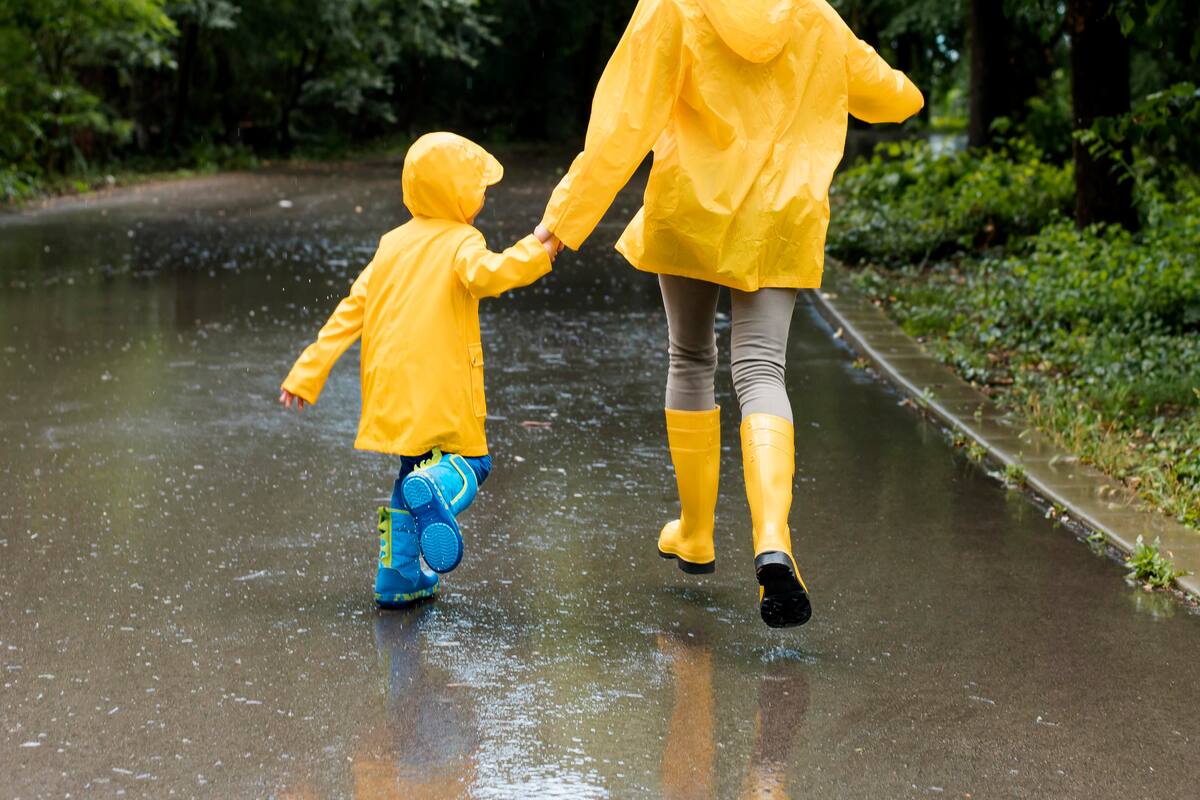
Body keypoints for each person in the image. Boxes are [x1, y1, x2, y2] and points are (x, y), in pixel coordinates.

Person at [535, 0, 924, 628]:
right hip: (780, 218)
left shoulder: (673, 7)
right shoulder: (812, 14)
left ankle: (694, 533)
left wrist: (561, 223)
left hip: (693, 208)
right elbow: (890, 98)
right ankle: (774, 541)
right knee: (762, 369)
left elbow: (624, 124)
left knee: (690, 357)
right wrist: (904, 86)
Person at [280, 132, 557, 609]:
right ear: (457, 195)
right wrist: (539, 249)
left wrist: (307, 372)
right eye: (477, 191)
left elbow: (352, 310)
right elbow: (489, 275)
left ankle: (398, 577)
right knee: (471, 464)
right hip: (445, 389)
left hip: (396, 391)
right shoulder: (461, 242)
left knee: (410, 474)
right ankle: (439, 489)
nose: (481, 202)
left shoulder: (390, 245)